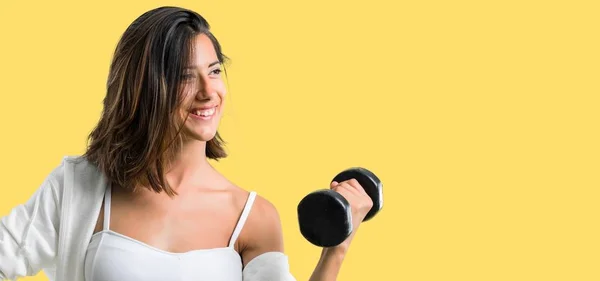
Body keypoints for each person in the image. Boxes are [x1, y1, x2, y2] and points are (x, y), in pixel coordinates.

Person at [0, 6, 373, 281]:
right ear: (145, 89)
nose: (209, 92)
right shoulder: (79, 186)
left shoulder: (253, 217)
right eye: (185, 77)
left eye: (214, 71)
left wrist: (337, 249)